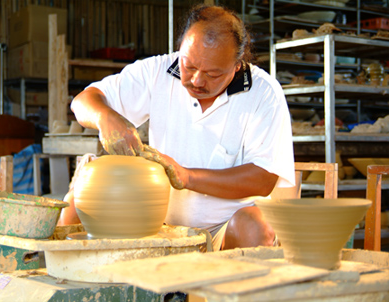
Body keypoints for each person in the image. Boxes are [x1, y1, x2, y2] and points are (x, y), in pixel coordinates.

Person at [60, 4, 295, 251]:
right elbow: (82, 102)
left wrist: (187, 176)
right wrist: (105, 117)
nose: (196, 81)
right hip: (160, 226)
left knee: (255, 226)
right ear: (180, 48)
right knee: (80, 200)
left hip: (225, 232)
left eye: (213, 74)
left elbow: (262, 179)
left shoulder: (263, 92)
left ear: (237, 66)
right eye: (189, 66)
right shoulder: (157, 71)